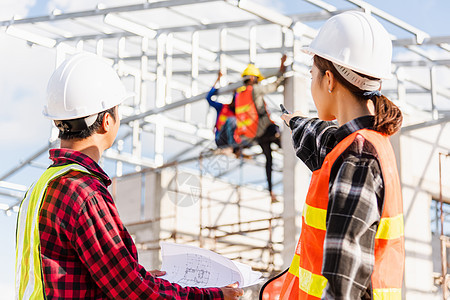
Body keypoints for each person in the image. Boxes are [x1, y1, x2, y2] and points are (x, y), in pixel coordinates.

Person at [15, 53, 244, 300]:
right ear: (107, 121)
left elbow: (77, 274)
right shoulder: (84, 192)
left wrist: (139, 276)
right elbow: (132, 291)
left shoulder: (42, 188)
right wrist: (213, 296)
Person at [261, 11, 404, 299]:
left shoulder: (358, 158)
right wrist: (294, 121)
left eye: (311, 76)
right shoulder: (360, 142)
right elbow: (322, 138)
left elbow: (341, 284)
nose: (311, 85)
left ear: (329, 80)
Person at [234, 55, 286, 203]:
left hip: (255, 134)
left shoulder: (239, 95)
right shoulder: (254, 90)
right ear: (252, 78)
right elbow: (275, 85)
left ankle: (270, 192)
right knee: (288, 147)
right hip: (268, 129)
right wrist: (281, 69)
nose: (258, 81)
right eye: (256, 79)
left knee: (268, 160)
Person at [206, 71, 238, 150]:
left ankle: (236, 149)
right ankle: (233, 148)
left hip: (232, 140)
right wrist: (217, 80)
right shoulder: (222, 108)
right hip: (221, 140)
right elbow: (209, 98)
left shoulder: (238, 113)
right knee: (231, 121)